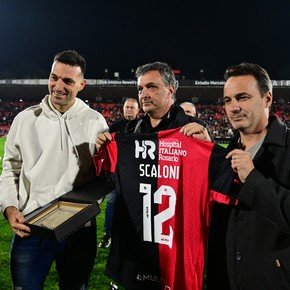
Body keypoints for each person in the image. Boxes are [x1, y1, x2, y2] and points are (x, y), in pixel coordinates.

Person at [0, 50, 108, 289]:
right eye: (54, 77)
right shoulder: (24, 119)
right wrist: (9, 207)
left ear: (81, 84)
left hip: (80, 229)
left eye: (67, 81)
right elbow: (10, 168)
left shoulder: (96, 121)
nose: (58, 86)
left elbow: (105, 174)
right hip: (32, 227)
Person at [206, 62, 290, 290]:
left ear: (267, 99)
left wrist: (253, 179)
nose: (233, 107)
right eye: (227, 100)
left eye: (242, 97)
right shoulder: (226, 154)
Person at [98, 97, 140, 248]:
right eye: (127, 107)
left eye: (132, 108)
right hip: (116, 174)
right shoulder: (115, 127)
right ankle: (107, 235)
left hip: (135, 175)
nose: (129, 110)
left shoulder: (143, 126)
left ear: (138, 110)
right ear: (123, 109)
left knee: (134, 205)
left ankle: (131, 237)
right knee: (112, 201)